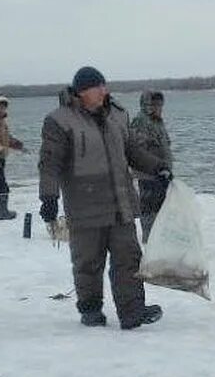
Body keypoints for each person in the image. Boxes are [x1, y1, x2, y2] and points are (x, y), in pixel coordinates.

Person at [38, 67, 173, 330]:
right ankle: (90, 310)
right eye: (96, 87)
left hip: (121, 203)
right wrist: (49, 197)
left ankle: (132, 312)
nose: (103, 91)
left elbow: (131, 150)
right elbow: (50, 163)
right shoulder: (60, 121)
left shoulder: (118, 115)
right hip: (84, 205)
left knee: (129, 258)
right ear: (81, 91)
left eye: (104, 86)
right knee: (88, 262)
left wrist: (157, 167)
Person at [130, 90, 173, 242]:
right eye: (154, 105)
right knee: (149, 211)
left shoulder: (158, 122)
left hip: (162, 175)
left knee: (161, 210)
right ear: (146, 105)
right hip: (148, 176)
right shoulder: (140, 122)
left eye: (160, 104)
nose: (158, 108)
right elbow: (137, 151)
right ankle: (150, 242)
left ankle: (159, 241)